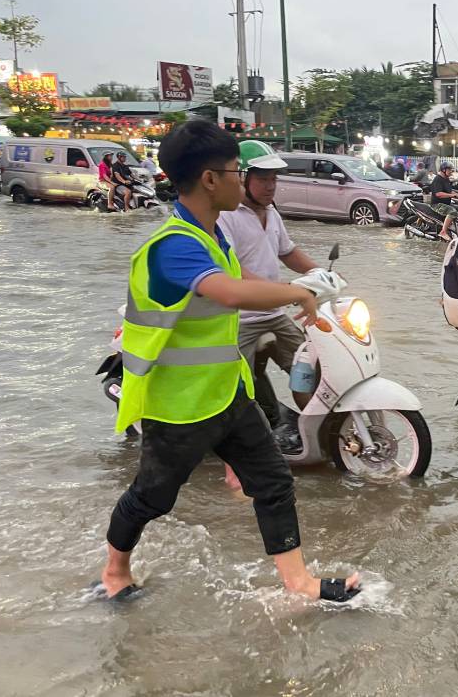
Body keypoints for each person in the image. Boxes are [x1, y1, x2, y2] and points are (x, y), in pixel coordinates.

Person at [99, 120, 360, 603]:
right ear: (209, 179)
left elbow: (257, 281)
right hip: (178, 405)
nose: (245, 181)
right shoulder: (174, 245)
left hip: (227, 392)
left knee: (274, 480)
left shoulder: (216, 234)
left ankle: (298, 583)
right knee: (153, 496)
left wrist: (308, 287)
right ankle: (114, 570)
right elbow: (231, 292)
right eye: (237, 172)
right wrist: (299, 291)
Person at [217, 140, 319, 479]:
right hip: (242, 318)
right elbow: (234, 271)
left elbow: (288, 252)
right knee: (238, 391)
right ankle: (243, 449)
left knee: (306, 365)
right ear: (243, 178)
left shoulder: (271, 213)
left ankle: (314, 431)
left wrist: (323, 275)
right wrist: (283, 291)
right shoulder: (227, 217)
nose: (270, 186)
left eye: (275, 179)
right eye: (263, 179)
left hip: (273, 313)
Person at [431, 162, 458, 241]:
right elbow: (438, 194)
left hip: (446, 203)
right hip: (437, 204)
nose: (451, 172)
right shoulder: (438, 179)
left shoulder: (446, 179)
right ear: (444, 170)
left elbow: (449, 191)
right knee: (452, 211)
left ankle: (453, 229)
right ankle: (443, 232)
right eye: (449, 170)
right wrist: (452, 195)